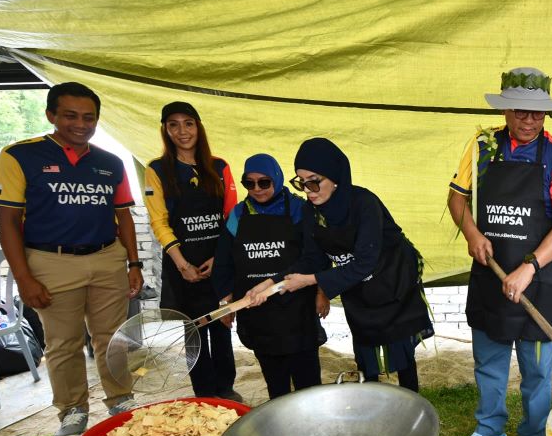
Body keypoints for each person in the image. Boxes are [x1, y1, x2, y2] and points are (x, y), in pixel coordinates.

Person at [0, 82, 142, 436]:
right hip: (50, 261)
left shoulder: (110, 163)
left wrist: (133, 263)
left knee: (114, 339)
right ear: (51, 115)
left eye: (89, 117)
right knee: (63, 342)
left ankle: (121, 401)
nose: (81, 124)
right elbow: (7, 221)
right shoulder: (20, 156)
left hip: (107, 258)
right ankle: (73, 411)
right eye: (70, 115)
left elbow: (124, 217)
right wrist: (23, 277)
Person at [448, 67, 552, 436]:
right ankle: (491, 429)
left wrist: (530, 265)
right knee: (488, 362)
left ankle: (535, 435)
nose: (528, 121)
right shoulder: (482, 146)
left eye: (537, 114)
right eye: (520, 111)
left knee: (537, 371)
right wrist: (471, 232)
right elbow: (457, 200)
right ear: (505, 109)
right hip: (490, 276)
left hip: (540, 283)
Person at [247, 138, 432, 393]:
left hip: (392, 280)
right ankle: (372, 402)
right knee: (365, 347)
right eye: (301, 182)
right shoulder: (312, 212)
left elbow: (366, 261)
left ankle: (412, 404)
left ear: (335, 177)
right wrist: (270, 283)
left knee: (400, 348)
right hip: (356, 285)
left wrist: (312, 281)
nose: (307, 189)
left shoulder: (364, 203)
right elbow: (312, 259)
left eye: (313, 181)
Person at [144, 102, 240, 400]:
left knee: (223, 324)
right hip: (182, 264)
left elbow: (232, 216)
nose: (182, 131)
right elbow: (159, 221)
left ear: (198, 126)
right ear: (165, 130)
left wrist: (221, 258)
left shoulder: (220, 166)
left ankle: (226, 389)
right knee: (194, 330)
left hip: (218, 261)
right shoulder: (156, 170)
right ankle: (204, 393)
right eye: (173, 124)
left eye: (188, 123)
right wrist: (182, 263)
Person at [212, 154, 324, 399]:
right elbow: (223, 260)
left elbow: (315, 256)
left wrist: (322, 292)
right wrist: (224, 300)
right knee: (276, 384)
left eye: (264, 182)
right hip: (257, 311)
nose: (257, 189)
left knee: (309, 383)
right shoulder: (238, 215)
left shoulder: (300, 209)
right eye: (249, 183)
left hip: (297, 308)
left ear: (277, 178)